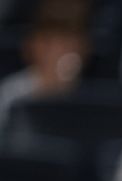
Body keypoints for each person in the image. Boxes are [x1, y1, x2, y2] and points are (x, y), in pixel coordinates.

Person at [0, 0, 90, 132]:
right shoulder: (10, 92)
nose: (59, 51)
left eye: (68, 43)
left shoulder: (92, 95)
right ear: (31, 46)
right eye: (49, 44)